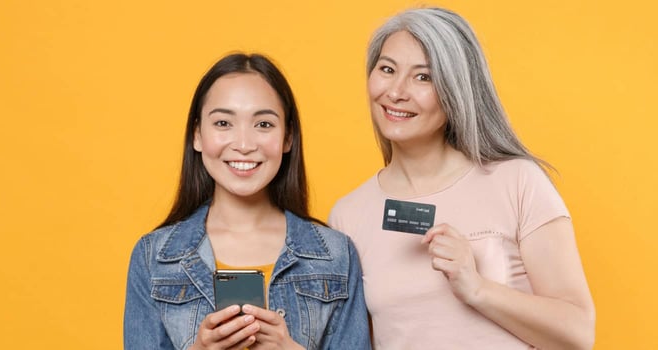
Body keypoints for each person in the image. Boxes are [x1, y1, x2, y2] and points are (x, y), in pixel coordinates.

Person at [329, 7, 596, 350]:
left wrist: (476, 288)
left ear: (456, 89)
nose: (396, 91)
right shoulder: (348, 215)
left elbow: (578, 334)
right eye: (387, 69)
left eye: (423, 77)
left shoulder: (517, 182)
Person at [124, 53, 370, 350]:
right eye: (223, 123)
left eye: (264, 124)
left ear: (288, 137)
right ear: (197, 135)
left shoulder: (336, 255)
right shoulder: (154, 258)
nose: (243, 144)